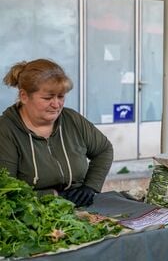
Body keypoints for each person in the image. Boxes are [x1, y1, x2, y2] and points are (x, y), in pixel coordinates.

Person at [0, 59, 113, 207]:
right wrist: (53, 196)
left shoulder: (72, 119)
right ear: (24, 96)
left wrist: (90, 187)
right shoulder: (6, 130)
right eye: (47, 98)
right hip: (32, 211)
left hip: (80, 208)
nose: (56, 104)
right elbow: (6, 190)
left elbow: (103, 150)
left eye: (60, 97)